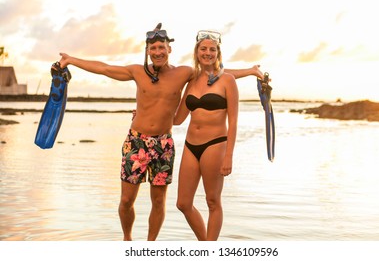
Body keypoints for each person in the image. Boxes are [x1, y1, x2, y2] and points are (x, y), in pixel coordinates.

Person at [58, 23, 263, 241]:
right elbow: (105, 68)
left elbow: (217, 73)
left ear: (169, 50)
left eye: (161, 48)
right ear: (147, 51)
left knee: (159, 202)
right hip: (136, 142)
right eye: (153, 48)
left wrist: (251, 72)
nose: (158, 52)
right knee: (127, 201)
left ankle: (151, 246)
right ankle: (127, 240)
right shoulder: (137, 71)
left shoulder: (184, 73)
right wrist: (72, 60)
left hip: (163, 145)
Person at [173, 30, 238, 240]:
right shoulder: (191, 82)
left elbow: (234, 121)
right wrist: (147, 113)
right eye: (203, 49)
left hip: (215, 144)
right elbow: (177, 118)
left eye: (212, 49)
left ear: (218, 53)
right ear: (197, 52)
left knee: (212, 201)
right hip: (191, 146)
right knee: (183, 203)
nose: (207, 53)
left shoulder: (228, 80)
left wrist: (229, 155)